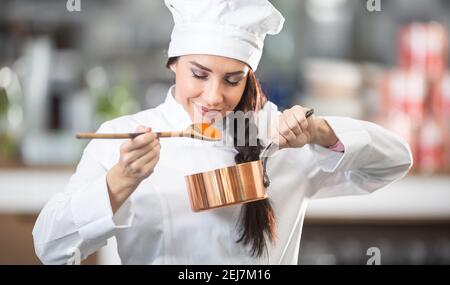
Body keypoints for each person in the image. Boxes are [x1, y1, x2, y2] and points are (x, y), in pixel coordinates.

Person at [33, 0, 412, 264]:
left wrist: (319, 131)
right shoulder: (123, 137)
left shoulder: (276, 135)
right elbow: (52, 249)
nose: (214, 97)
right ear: (173, 64)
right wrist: (120, 181)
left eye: (232, 80)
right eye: (199, 74)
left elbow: (395, 161)